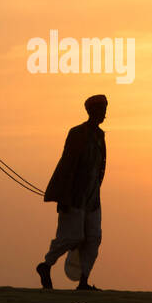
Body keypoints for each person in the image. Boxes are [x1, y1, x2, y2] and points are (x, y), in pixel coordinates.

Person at [36, 95, 107, 290]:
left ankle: (83, 281)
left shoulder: (100, 136)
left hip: (93, 199)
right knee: (72, 237)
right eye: (102, 109)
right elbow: (67, 165)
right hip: (74, 197)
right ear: (92, 111)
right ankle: (46, 265)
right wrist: (63, 196)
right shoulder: (77, 133)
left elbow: (100, 168)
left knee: (93, 238)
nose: (104, 114)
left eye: (105, 109)